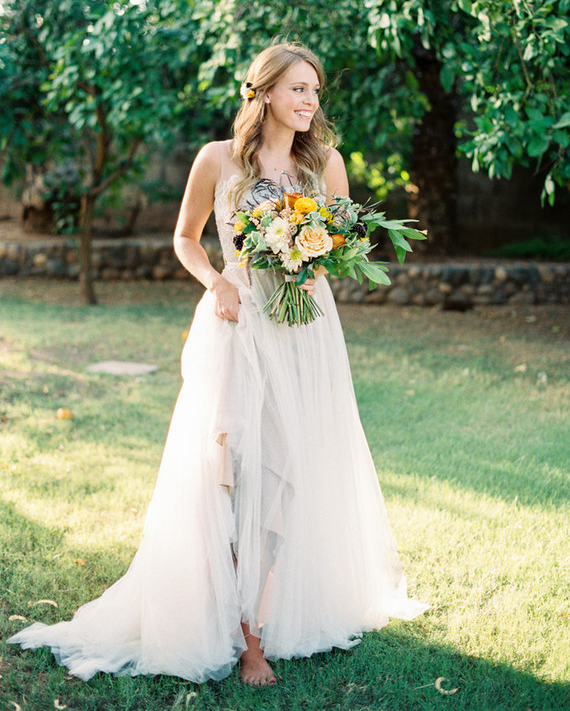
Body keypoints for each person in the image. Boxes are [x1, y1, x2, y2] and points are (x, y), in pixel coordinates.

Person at [8, 42, 427, 687]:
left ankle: (257, 627)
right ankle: (231, 625)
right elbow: (185, 237)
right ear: (262, 94)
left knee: (286, 475)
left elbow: (345, 246)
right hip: (235, 325)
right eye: (298, 89)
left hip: (302, 329)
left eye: (315, 91)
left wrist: (313, 259)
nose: (310, 102)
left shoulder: (327, 167)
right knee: (228, 471)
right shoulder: (217, 160)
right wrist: (217, 281)